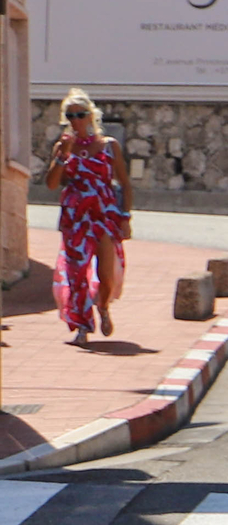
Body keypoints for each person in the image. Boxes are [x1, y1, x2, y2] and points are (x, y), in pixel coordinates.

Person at [45, 89, 129, 343]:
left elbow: (124, 183)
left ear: (91, 115)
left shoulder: (109, 146)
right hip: (76, 216)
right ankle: (82, 326)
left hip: (103, 214)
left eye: (81, 115)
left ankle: (102, 306)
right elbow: (51, 184)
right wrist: (63, 155)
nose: (76, 120)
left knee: (106, 274)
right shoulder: (63, 147)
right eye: (71, 116)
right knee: (77, 273)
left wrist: (125, 217)